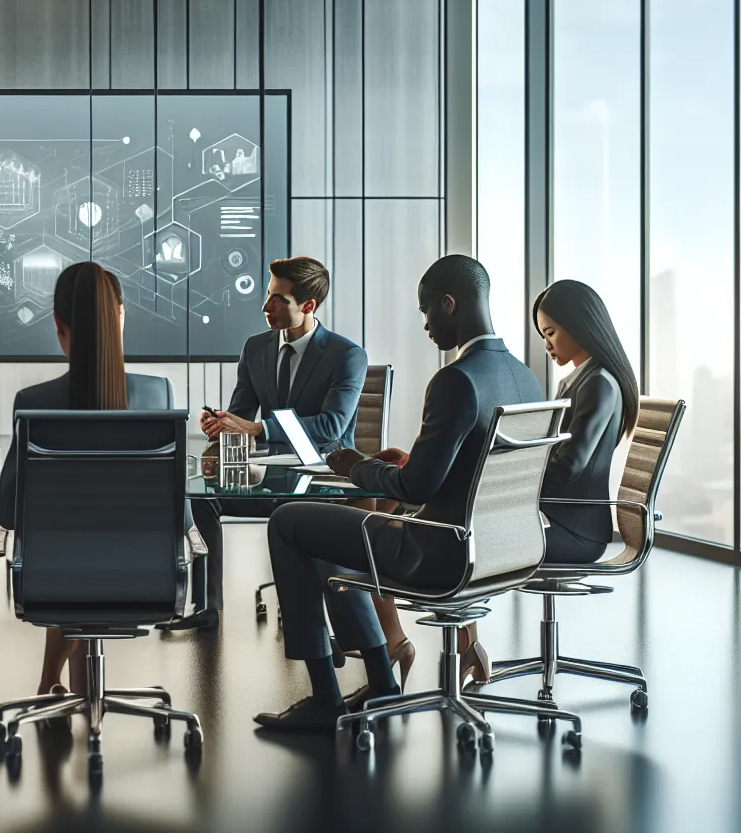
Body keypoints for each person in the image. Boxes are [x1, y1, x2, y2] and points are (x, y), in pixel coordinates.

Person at [253, 255, 541, 733]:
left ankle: (327, 699)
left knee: (289, 522)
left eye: (427, 310)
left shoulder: (456, 380)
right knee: (324, 532)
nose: (425, 324)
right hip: (503, 550)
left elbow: (417, 488)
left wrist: (357, 465)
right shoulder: (524, 378)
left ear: (449, 304)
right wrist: (401, 466)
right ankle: (382, 679)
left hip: (436, 551)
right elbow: (463, 473)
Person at [0, 262, 173, 698]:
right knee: (86, 549)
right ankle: (52, 684)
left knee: (70, 550)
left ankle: (52, 688)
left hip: (53, 580)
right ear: (121, 320)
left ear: (59, 326)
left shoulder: (34, 402)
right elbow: (180, 513)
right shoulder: (157, 395)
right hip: (146, 579)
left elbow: (7, 511)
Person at [459, 279, 639, 668]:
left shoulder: (599, 384)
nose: (547, 344)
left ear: (580, 325)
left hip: (578, 532)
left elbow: (570, 466)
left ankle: (468, 647)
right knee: (471, 531)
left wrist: (515, 472)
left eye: (552, 332)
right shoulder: (579, 380)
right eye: (544, 334)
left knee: (471, 540)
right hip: (559, 518)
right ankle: (469, 646)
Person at [180, 256, 366, 631]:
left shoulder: (346, 356)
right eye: (268, 296)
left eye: (277, 300)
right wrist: (222, 424)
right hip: (269, 477)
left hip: (322, 482)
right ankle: (209, 608)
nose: (266, 307)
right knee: (199, 498)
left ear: (308, 306)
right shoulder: (256, 348)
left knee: (296, 514)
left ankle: (308, 616)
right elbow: (241, 413)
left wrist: (259, 429)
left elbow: (331, 427)